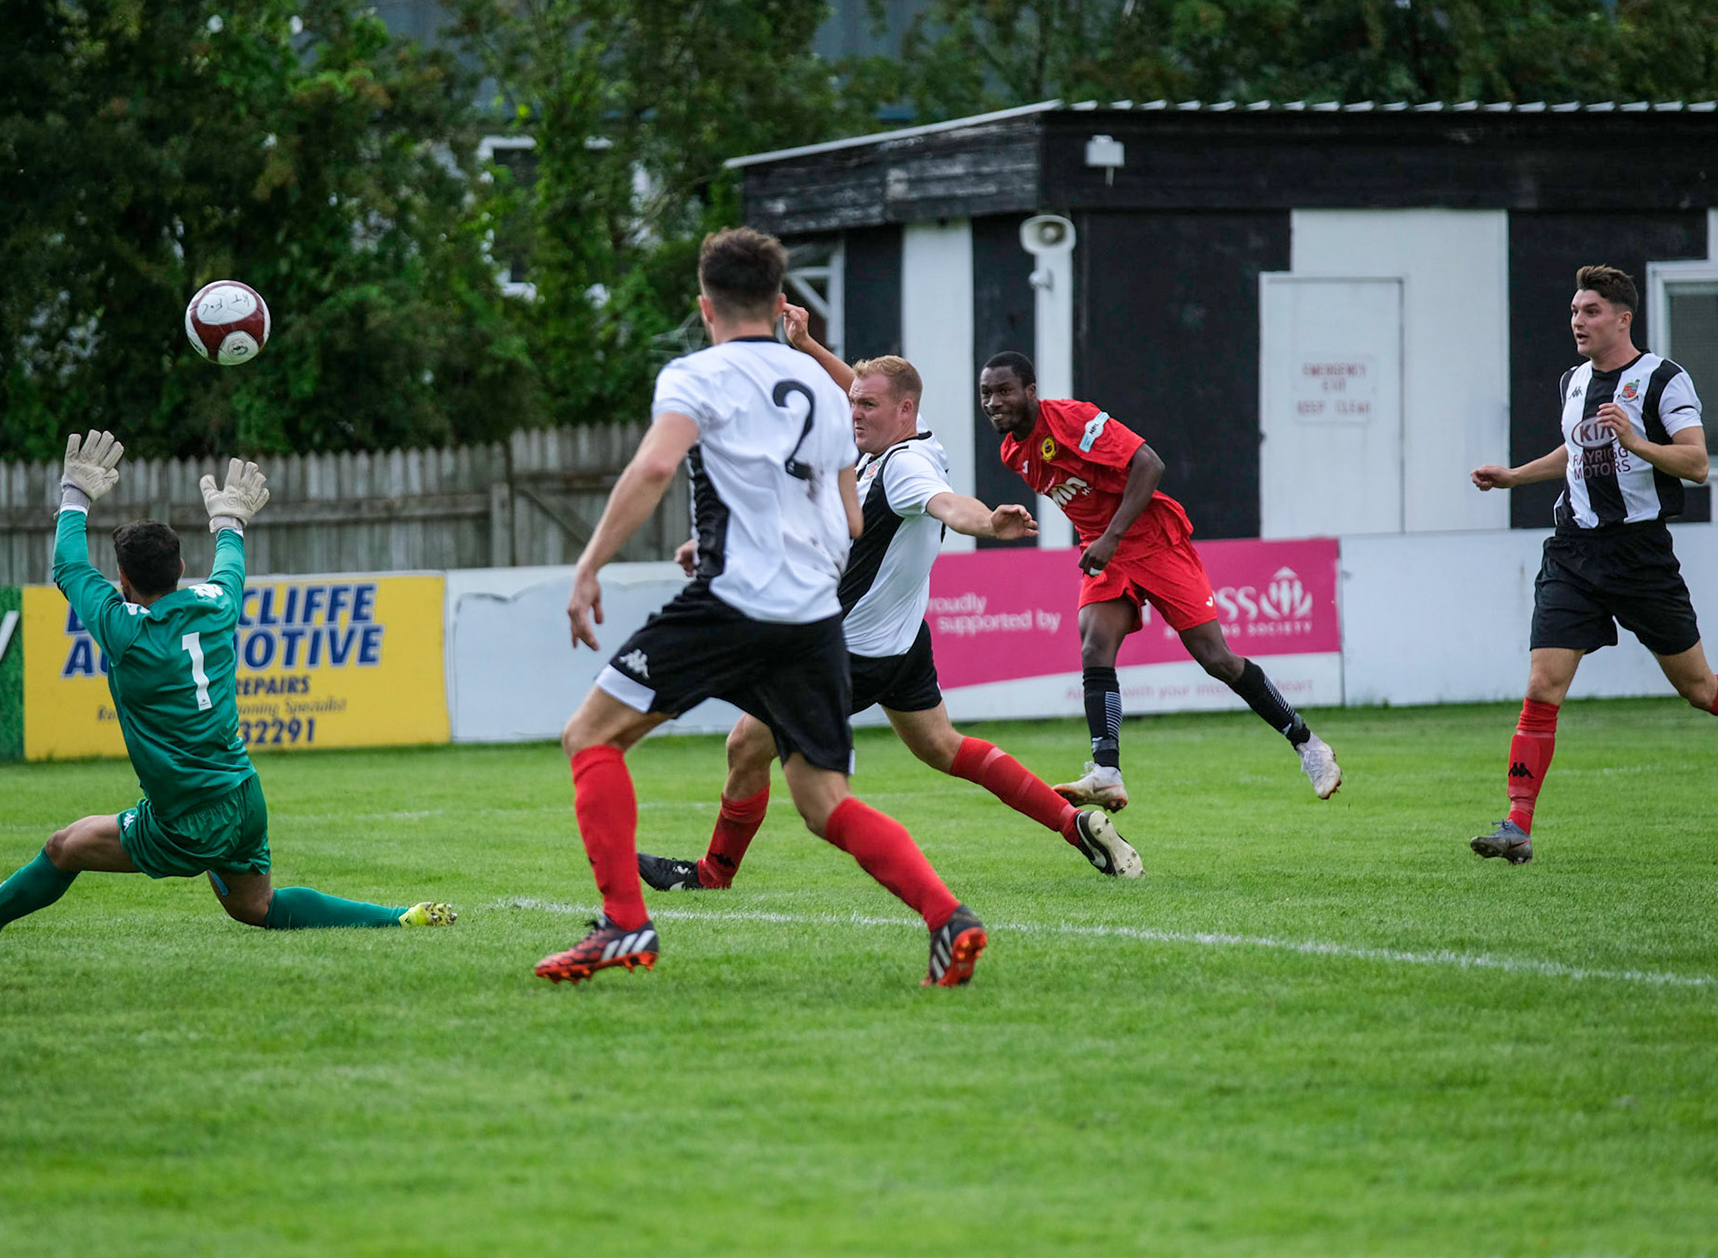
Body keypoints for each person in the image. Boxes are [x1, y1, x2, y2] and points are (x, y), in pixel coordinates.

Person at [542, 227, 988, 987]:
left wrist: (590, 565)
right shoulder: (824, 388)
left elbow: (654, 464)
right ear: (780, 301)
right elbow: (849, 520)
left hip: (732, 603)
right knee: (823, 803)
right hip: (814, 620)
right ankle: (949, 919)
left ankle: (623, 925)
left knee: (590, 736)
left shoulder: (695, 373)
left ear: (705, 304)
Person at [637, 306, 1144, 895]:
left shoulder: (907, 468)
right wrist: (805, 346)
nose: (853, 413)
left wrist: (989, 523)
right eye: (853, 403)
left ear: (903, 410)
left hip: (856, 653)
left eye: (867, 407)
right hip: (901, 641)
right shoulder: (906, 432)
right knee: (943, 748)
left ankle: (711, 875)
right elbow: (857, 388)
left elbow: (948, 504)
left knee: (746, 743)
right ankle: (1074, 823)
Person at [0, 431, 456, 936]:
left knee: (65, 847)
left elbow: (67, 565)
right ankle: (398, 919)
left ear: (124, 582)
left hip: (186, 818)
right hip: (244, 798)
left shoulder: (124, 629)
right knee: (255, 906)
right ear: (180, 565)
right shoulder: (217, 605)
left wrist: (75, 492)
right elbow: (229, 564)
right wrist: (229, 521)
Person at [979, 351, 1343, 812]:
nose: (993, 401)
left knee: (1216, 659)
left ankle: (1308, 744)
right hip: (1105, 548)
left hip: (1152, 540)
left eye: (1004, 390)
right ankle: (1106, 771)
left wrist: (1111, 537)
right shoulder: (1013, 452)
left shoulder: (1072, 419)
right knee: (1094, 645)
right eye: (986, 393)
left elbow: (1149, 464)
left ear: (1031, 391)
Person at [1468, 264, 1718, 865]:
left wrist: (1639, 441)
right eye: (1574, 312)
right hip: (1574, 551)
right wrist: (1514, 476)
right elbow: (1576, 450)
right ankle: (1516, 825)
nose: (1577, 322)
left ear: (1624, 318)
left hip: (1640, 556)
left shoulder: (1664, 380)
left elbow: (1696, 464)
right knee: (1543, 683)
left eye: (1590, 312)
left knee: (1699, 690)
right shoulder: (1573, 381)